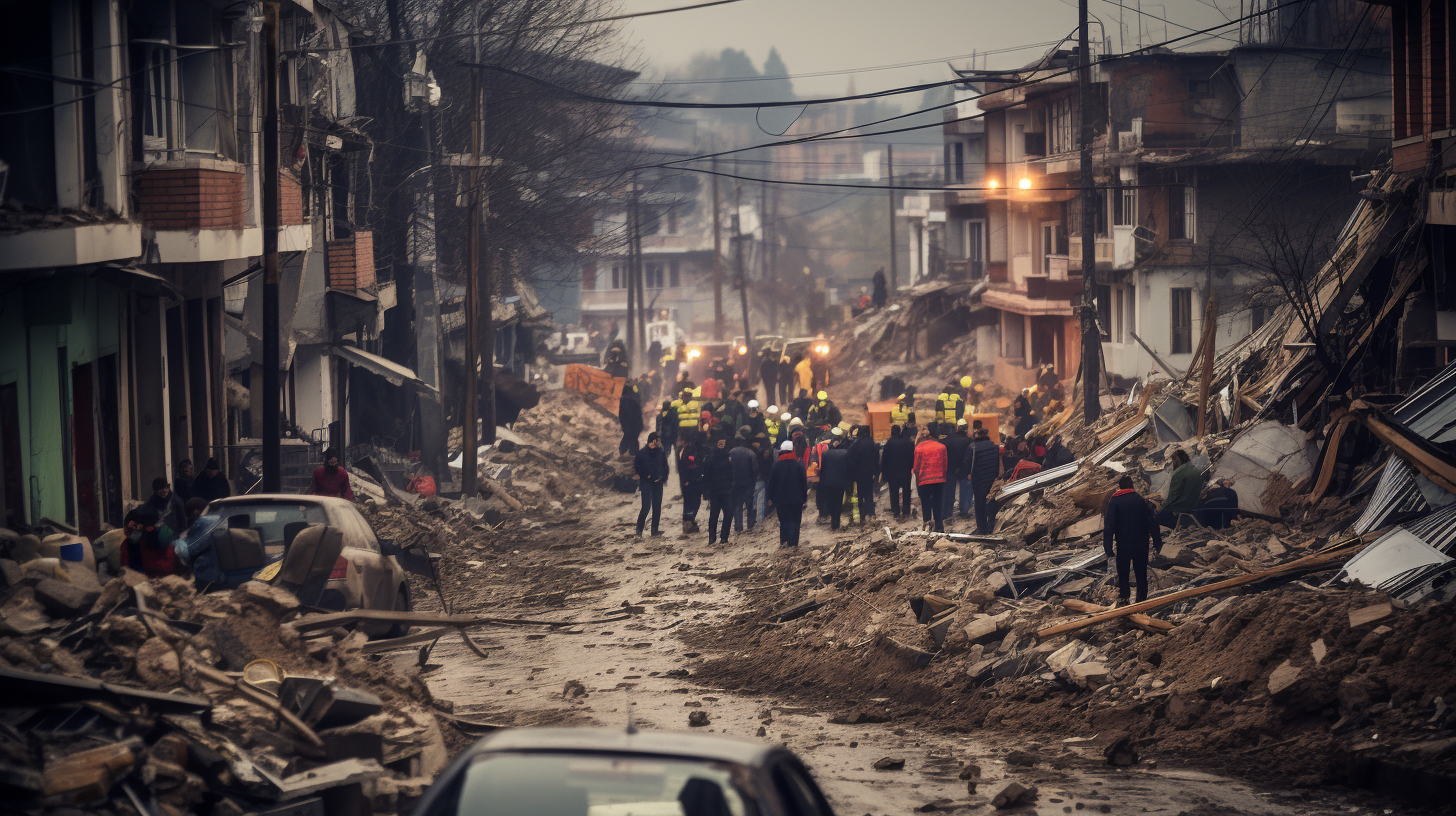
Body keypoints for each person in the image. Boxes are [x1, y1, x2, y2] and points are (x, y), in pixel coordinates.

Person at [1104, 475, 1164, 604]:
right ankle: (1141, 600)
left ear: (1120, 487)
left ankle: (1125, 597)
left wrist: (1108, 548)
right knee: (1141, 573)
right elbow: (1152, 522)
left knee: (1123, 573)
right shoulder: (1140, 500)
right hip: (1141, 543)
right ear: (1132, 486)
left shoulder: (1114, 502)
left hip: (1123, 544)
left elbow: (1109, 526)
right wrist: (1158, 542)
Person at [120, 505, 181, 578]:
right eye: (129, 529)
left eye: (135, 527)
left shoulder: (154, 540)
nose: (130, 534)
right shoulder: (129, 544)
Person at [768, 441, 809, 548]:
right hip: (796, 499)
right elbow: (804, 483)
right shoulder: (799, 465)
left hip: (780, 499)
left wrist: (770, 497)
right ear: (792, 450)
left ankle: (783, 542)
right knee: (795, 521)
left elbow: (771, 483)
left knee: (783, 521)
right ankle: (793, 544)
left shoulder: (776, 465)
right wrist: (804, 498)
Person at [965, 428, 1002, 534]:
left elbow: (968, 462)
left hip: (979, 480)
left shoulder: (973, 447)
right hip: (992, 479)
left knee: (979, 503)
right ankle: (991, 526)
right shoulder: (994, 447)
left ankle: (982, 528)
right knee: (991, 502)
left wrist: (968, 474)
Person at [913, 426, 948, 533]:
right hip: (939, 480)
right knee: (938, 502)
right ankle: (939, 525)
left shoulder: (919, 448)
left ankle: (927, 523)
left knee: (925, 502)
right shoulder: (942, 447)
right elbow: (945, 464)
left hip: (924, 480)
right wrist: (943, 476)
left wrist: (918, 479)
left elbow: (916, 467)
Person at [703, 434, 737, 545]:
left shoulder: (727, 455)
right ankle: (712, 538)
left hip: (725, 490)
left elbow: (731, 473)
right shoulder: (711, 456)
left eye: (723, 442)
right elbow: (707, 474)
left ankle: (723, 537)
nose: (722, 444)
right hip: (715, 490)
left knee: (728, 513)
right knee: (714, 515)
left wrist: (731, 485)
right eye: (720, 442)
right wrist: (707, 490)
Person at [634, 433, 669, 537]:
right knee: (646, 507)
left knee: (657, 507)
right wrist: (646, 475)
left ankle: (654, 530)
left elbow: (665, 466)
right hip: (646, 483)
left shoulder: (660, 452)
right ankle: (639, 529)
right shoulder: (642, 453)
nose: (656, 443)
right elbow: (637, 466)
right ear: (651, 441)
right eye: (655, 441)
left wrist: (663, 477)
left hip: (657, 483)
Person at [1159, 449, 1203, 528]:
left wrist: (1162, 507)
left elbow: (1173, 497)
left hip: (1179, 509)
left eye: (1173, 460)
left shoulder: (1178, 473)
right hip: (1194, 508)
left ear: (1178, 459)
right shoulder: (1196, 471)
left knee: (1158, 518)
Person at [818, 430, 851, 530]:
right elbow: (847, 468)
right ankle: (836, 520)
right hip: (840, 482)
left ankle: (833, 521)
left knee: (831, 501)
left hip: (828, 482)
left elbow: (823, 469)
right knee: (839, 501)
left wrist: (822, 482)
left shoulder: (825, 454)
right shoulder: (845, 453)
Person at [846, 426, 879, 522]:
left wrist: (852, 472)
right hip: (869, 474)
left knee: (860, 494)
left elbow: (849, 457)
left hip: (858, 474)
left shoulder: (856, 444)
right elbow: (876, 459)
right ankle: (871, 514)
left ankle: (862, 515)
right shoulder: (872, 443)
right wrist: (876, 473)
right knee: (869, 494)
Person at [881, 424, 915, 518]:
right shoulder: (908, 442)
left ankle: (896, 511)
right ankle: (906, 510)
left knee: (893, 492)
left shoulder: (889, 443)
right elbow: (912, 456)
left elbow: (884, 459)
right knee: (906, 491)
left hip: (892, 473)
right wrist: (911, 467)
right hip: (905, 472)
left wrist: (884, 473)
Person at [943, 420, 974, 521]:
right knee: (964, 491)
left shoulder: (948, 440)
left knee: (949, 492)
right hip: (964, 469)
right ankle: (964, 511)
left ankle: (948, 512)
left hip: (950, 469)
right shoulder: (969, 441)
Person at [677, 432, 707, 534]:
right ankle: (688, 522)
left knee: (694, 501)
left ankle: (689, 521)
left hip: (690, 480)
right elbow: (690, 465)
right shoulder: (691, 450)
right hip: (691, 481)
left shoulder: (686, 450)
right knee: (692, 502)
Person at [729, 436, 759, 532]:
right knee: (750, 505)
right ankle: (751, 526)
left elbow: (727, 468)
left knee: (737, 506)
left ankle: (738, 527)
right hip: (748, 484)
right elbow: (755, 469)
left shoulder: (731, 453)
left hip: (735, 484)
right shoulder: (751, 453)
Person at [619, 382, 643, 457]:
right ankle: (630, 454)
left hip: (630, 424)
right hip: (634, 424)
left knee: (629, 437)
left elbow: (623, 415)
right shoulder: (633, 399)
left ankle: (623, 453)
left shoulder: (624, 400)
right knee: (632, 438)